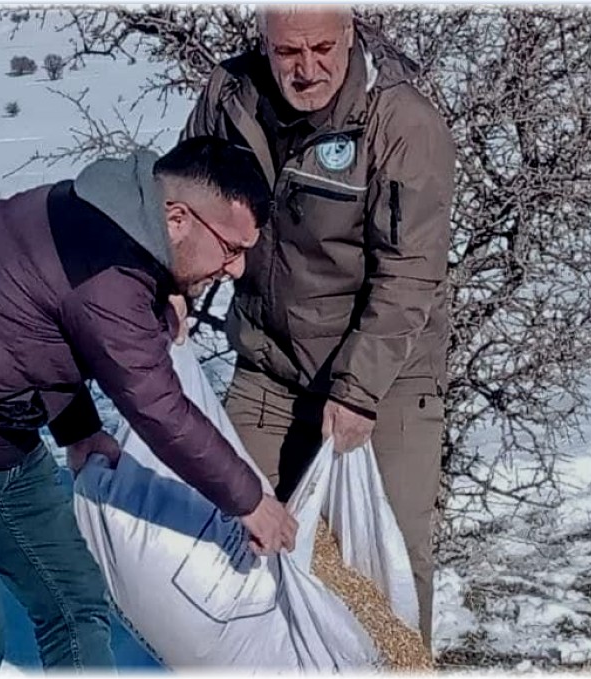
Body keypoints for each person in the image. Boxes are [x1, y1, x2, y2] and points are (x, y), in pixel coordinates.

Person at [0, 136, 299, 670]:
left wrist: (79, 430)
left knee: (77, 607)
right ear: (175, 218)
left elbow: (36, 327)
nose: (236, 269)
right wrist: (249, 501)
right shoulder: (107, 269)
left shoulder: (111, 212)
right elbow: (157, 406)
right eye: (231, 249)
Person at [181, 5, 456, 644]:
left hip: (384, 379)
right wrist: (170, 288)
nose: (307, 70)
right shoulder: (231, 96)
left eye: (322, 48)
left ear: (352, 32)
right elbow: (184, 202)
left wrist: (357, 390)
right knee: (225, 539)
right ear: (264, 43)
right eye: (288, 54)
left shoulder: (401, 123)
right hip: (269, 368)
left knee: (384, 574)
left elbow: (411, 273)